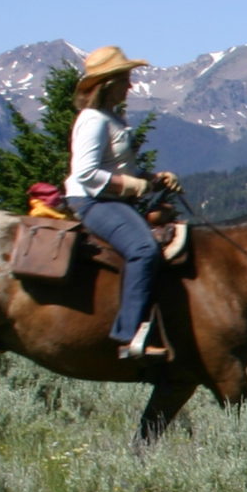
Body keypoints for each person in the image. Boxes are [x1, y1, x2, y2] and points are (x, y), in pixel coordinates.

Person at [64, 46, 183, 360]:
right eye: (125, 79)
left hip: (109, 198)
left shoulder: (112, 117)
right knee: (143, 249)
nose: (130, 85)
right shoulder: (92, 120)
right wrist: (133, 186)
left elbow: (118, 168)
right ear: (108, 84)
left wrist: (153, 179)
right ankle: (128, 335)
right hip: (91, 201)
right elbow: (85, 173)